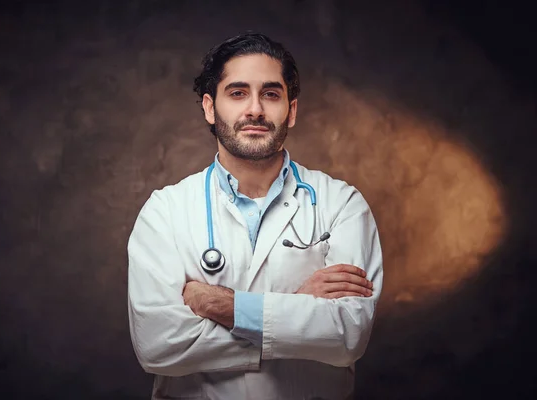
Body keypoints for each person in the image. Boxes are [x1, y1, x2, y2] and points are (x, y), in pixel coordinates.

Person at [127, 32, 383, 400]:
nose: (255, 110)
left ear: (291, 110)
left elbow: (347, 336)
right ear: (209, 108)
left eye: (271, 94)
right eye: (237, 93)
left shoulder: (341, 203)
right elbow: (157, 345)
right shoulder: (165, 211)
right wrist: (295, 311)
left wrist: (223, 305)